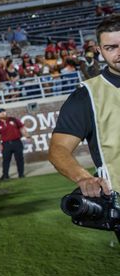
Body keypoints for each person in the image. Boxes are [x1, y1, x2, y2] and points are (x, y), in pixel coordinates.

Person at [49, 15, 120, 197]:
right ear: (99, 50)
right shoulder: (86, 96)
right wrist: (83, 177)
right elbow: (59, 149)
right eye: (111, 48)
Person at [0, 107, 29, 180]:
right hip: (6, 144)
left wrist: (27, 136)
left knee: (19, 159)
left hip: (17, 142)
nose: (2, 113)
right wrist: (0, 145)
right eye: (0, 112)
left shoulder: (13, 120)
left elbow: (22, 127)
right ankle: (5, 175)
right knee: (6, 160)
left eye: (3, 112)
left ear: (6, 112)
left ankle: (21, 174)